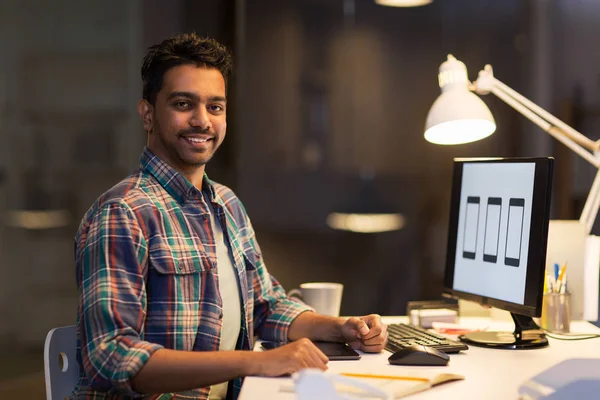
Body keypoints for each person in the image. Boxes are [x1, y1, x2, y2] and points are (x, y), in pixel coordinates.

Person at [72, 32, 388, 400]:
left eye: (215, 107)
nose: (202, 121)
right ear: (148, 114)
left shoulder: (226, 203)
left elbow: (267, 306)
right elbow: (112, 357)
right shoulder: (122, 213)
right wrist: (252, 362)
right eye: (183, 103)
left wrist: (340, 328)